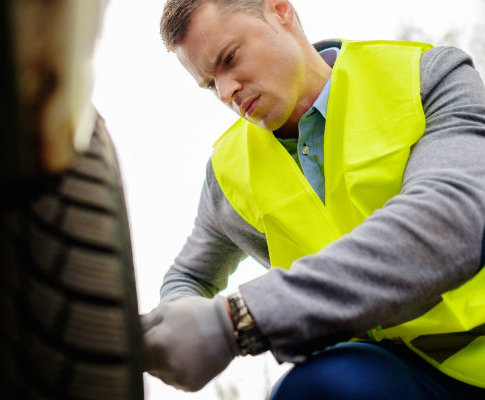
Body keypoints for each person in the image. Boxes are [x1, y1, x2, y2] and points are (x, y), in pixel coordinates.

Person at [140, 0, 485, 398]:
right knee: (311, 390)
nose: (225, 91)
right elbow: (189, 275)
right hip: (389, 376)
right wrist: (178, 324)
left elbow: (449, 221)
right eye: (209, 84)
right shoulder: (227, 173)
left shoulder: (428, 78)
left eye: (230, 58)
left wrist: (240, 320)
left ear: (280, 11)